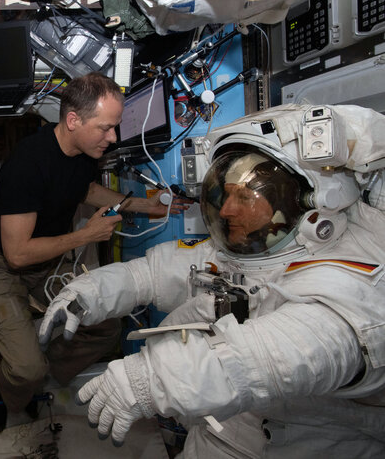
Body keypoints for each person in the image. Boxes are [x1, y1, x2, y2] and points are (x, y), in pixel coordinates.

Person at [39, 104, 385, 456]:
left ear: (303, 200)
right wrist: (87, 293)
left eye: (245, 197)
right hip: (222, 432)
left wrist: (152, 380)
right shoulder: (241, 255)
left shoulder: (350, 279)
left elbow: (277, 355)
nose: (226, 211)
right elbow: (146, 275)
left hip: (304, 444)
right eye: (226, 195)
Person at [0, 72, 190, 431]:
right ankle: (11, 385)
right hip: (5, 269)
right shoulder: (27, 165)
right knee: (25, 370)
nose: (114, 138)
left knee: (106, 329)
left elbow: (84, 190)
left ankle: (42, 371)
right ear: (73, 120)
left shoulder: (85, 152)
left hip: (49, 263)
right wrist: (85, 235)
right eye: (106, 128)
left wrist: (141, 205)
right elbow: (17, 254)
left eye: (116, 127)